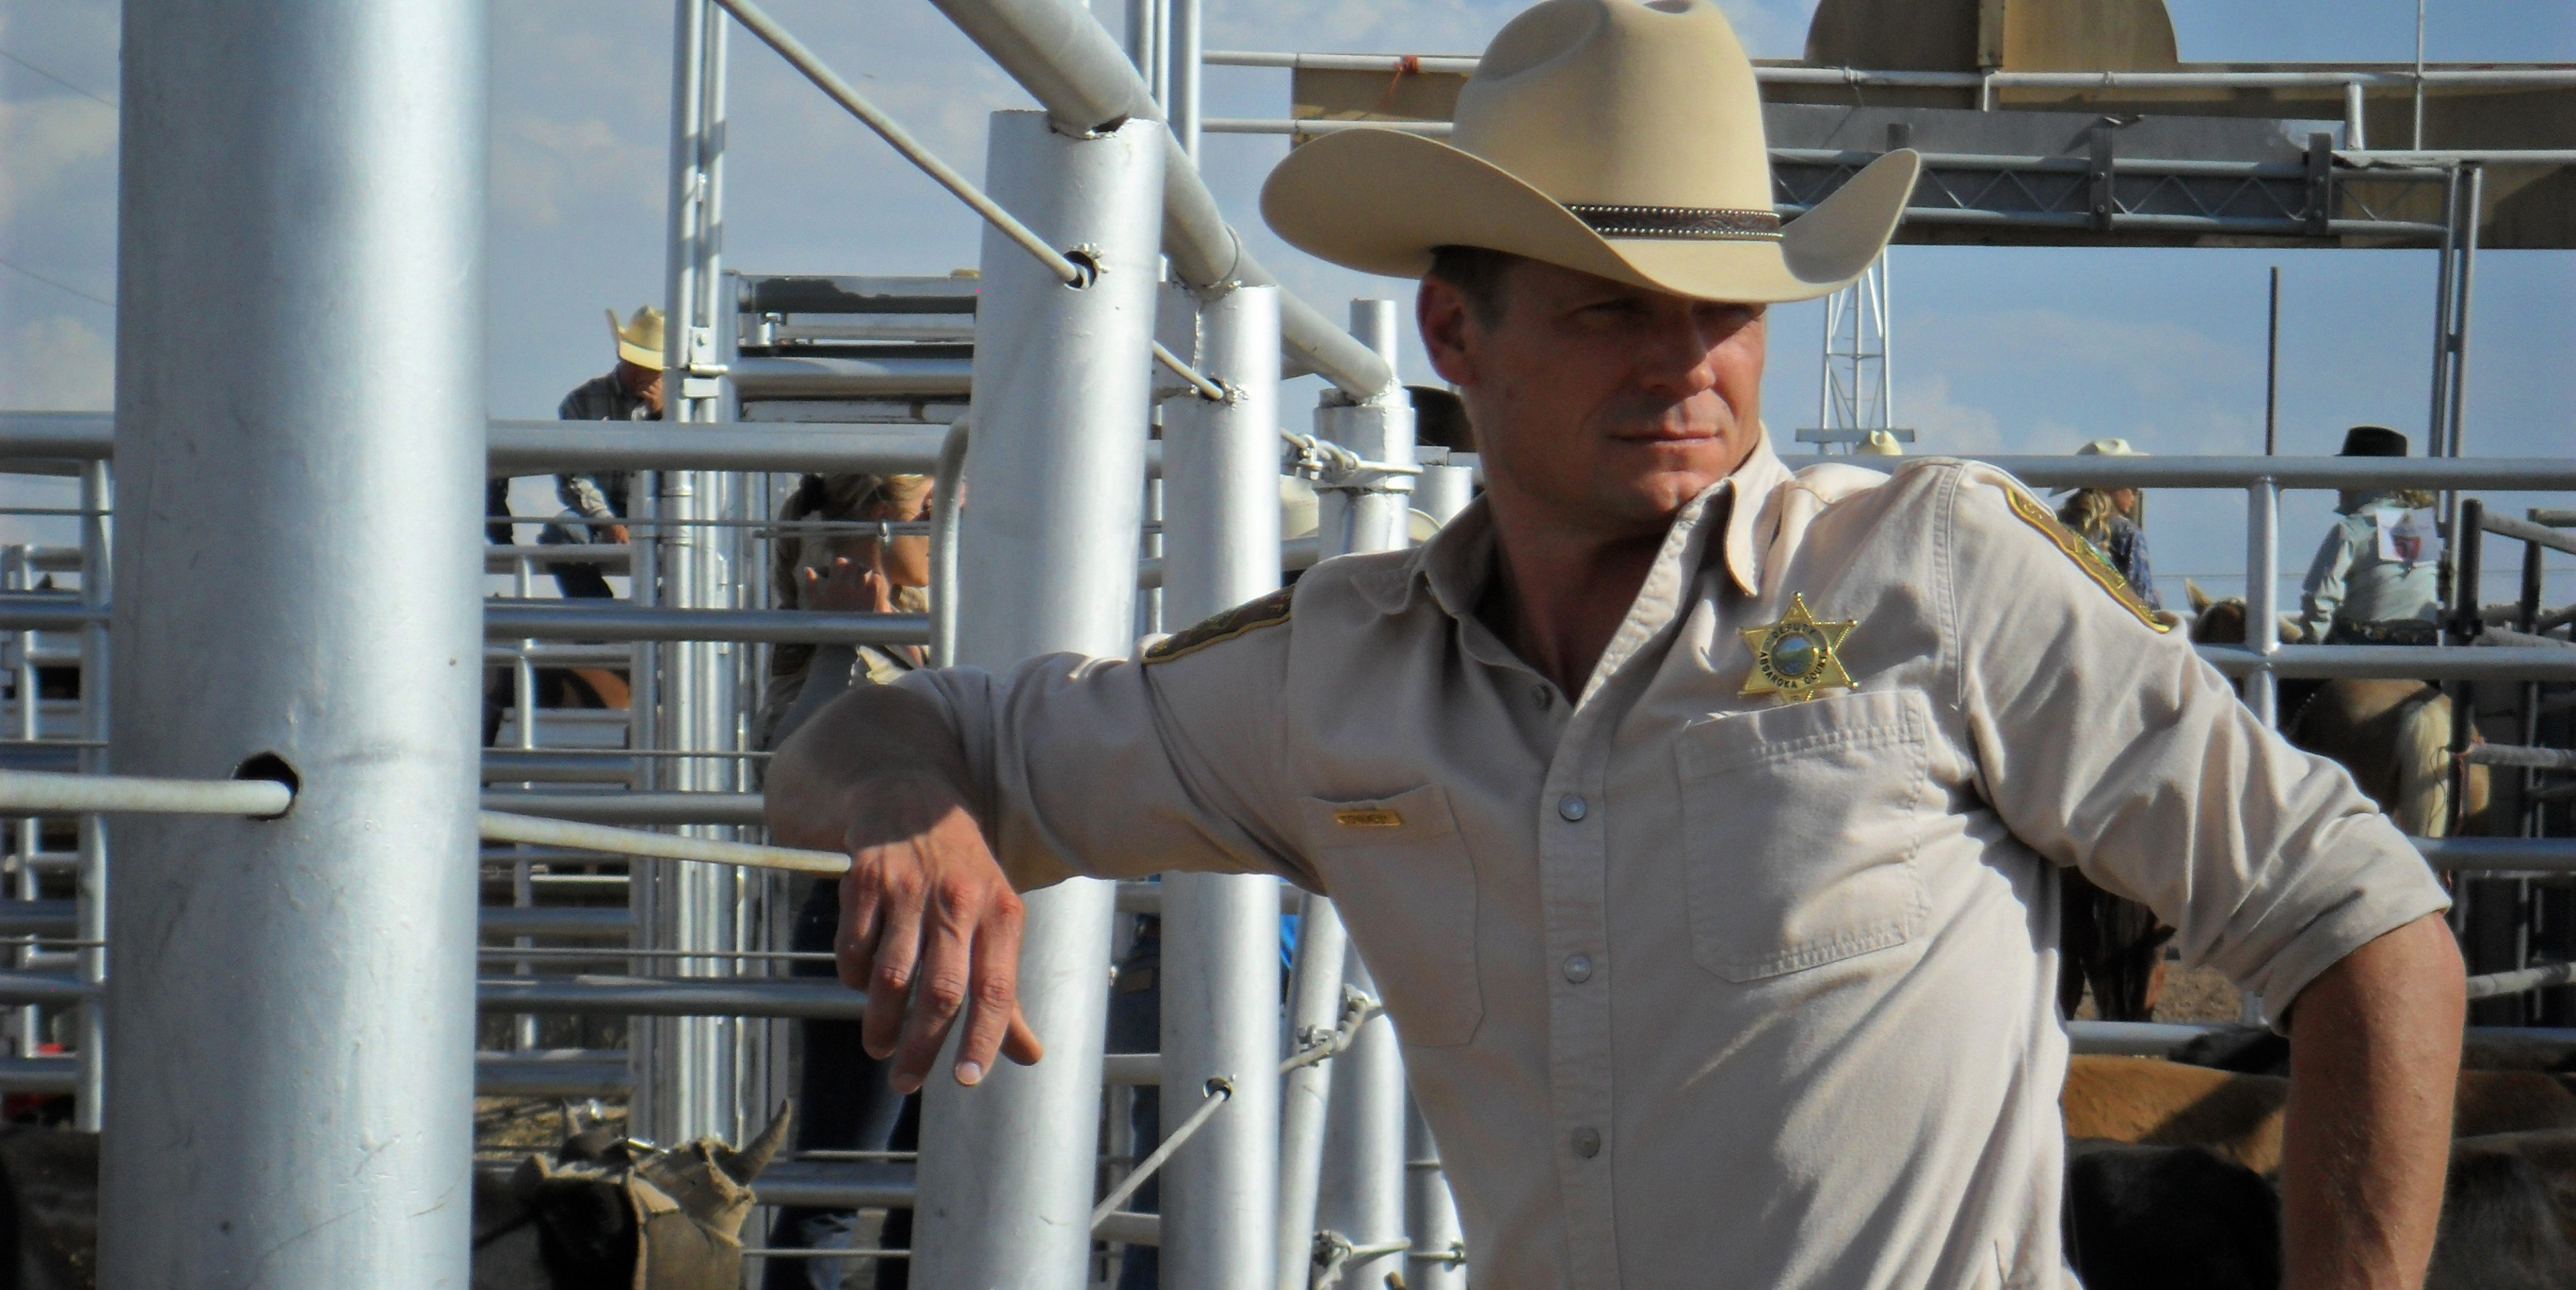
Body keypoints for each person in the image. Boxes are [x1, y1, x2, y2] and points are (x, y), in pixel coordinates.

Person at [767, 3, 2465, 1286]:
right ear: (1456, 334)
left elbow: (2365, 920)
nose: (1688, 363)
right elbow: (884, 734)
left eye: (1723, 308)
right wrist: (907, 805)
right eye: (1607, 305)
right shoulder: (1336, 671)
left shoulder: (1932, 575)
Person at [754, 472, 933, 1290]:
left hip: (947, 910)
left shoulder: (938, 624)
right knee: (841, 1169)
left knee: (932, 1184)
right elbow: (793, 770)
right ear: (875, 525)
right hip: (865, 915)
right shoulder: (833, 642)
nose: (947, 520)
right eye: (926, 510)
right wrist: (839, 635)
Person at [544, 306, 666, 600]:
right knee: (561, 537)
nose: (645, 373)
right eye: (639, 363)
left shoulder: (681, 408)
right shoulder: (581, 402)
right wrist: (607, 521)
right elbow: (573, 474)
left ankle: (662, 621)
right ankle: (602, 626)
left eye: (654, 367)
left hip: (663, 513)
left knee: (694, 541)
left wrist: (664, 416)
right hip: (599, 511)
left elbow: (690, 477)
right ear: (624, 357)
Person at [2299, 424, 2443, 646]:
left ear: (2361, 475)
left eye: (2344, 471)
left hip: (2363, 647)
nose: (2338, 483)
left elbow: (2320, 601)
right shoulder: (2422, 527)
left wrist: (2311, 644)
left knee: (2284, 680)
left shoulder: (2352, 529)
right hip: (2422, 650)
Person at [2055, 437, 2162, 612]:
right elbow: (2145, 606)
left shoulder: (2057, 525)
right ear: (2112, 484)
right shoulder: (2127, 533)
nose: (2136, 492)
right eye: (2132, 482)